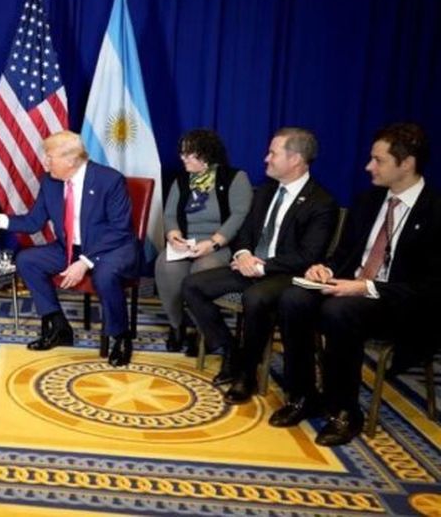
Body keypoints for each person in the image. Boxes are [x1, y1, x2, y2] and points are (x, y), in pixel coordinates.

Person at [272, 123, 440, 446]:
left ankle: (345, 411)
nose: (368, 167)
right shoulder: (368, 201)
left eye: (378, 160)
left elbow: (430, 287)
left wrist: (364, 288)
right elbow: (345, 256)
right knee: (294, 298)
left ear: (406, 164)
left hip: (401, 303)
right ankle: (303, 395)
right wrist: (324, 268)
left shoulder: (435, 211)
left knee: (339, 311)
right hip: (350, 289)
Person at [182, 127, 337, 404]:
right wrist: (242, 254)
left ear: (296, 160)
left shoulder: (321, 202)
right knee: (192, 286)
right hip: (249, 267)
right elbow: (245, 232)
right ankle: (231, 351)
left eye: (273, 153)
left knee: (256, 298)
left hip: (287, 277)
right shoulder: (264, 191)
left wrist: (263, 267)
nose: (266, 159)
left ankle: (246, 374)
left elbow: (308, 254)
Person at [0, 131, 140, 366]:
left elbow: (120, 230)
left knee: (105, 274)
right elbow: (32, 222)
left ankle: (121, 336)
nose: (45, 162)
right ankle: (59, 326)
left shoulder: (109, 180)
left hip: (111, 248)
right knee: (28, 260)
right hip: (71, 247)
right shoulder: (50, 182)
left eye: (50, 157)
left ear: (71, 160)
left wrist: (85, 261)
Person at [155, 129, 252, 353]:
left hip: (220, 244)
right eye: (182, 153)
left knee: (202, 270)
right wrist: (173, 235)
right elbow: (169, 215)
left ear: (206, 154)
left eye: (189, 154)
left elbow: (239, 215)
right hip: (186, 243)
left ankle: (205, 333)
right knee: (166, 266)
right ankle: (176, 326)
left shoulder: (235, 178)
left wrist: (213, 243)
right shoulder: (181, 181)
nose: (182, 158)